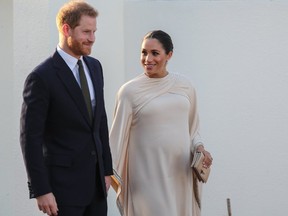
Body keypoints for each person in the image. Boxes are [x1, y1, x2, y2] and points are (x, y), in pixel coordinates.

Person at [20, 1, 113, 216]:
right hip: (63, 190)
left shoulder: (95, 67)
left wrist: (107, 170)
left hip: (97, 187)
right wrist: (41, 190)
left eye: (94, 32)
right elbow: (30, 138)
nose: (92, 38)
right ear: (66, 29)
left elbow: (100, 121)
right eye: (86, 31)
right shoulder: (41, 77)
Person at [109, 30, 213, 216]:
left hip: (180, 174)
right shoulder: (129, 92)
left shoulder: (185, 86)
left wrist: (199, 147)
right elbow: (115, 139)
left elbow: (193, 129)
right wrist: (106, 177)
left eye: (155, 53)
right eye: (143, 52)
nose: (148, 59)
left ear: (169, 55)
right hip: (147, 178)